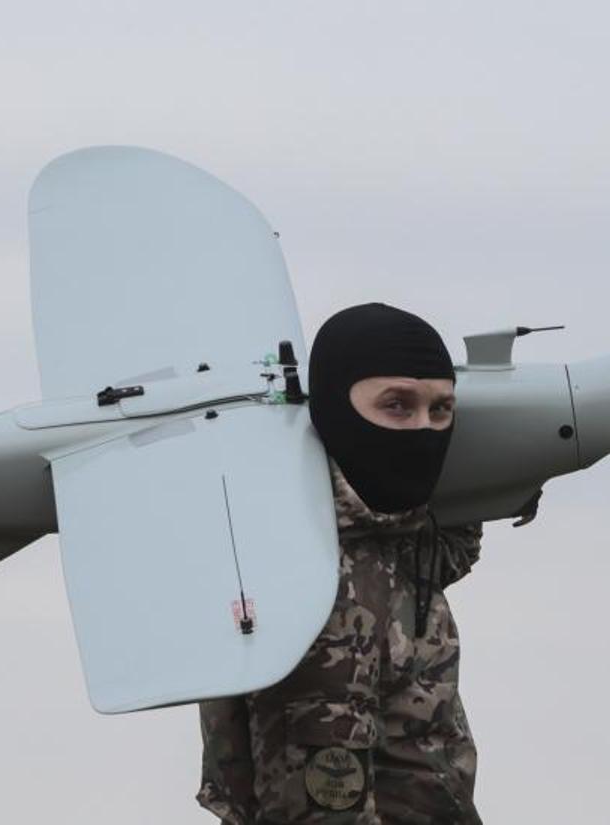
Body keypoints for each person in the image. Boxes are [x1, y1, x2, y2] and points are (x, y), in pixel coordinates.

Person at [196, 302, 485, 824]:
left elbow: (441, 551)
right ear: (334, 411)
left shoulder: (380, 537)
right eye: (396, 406)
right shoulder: (320, 592)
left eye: (440, 410)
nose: (423, 429)